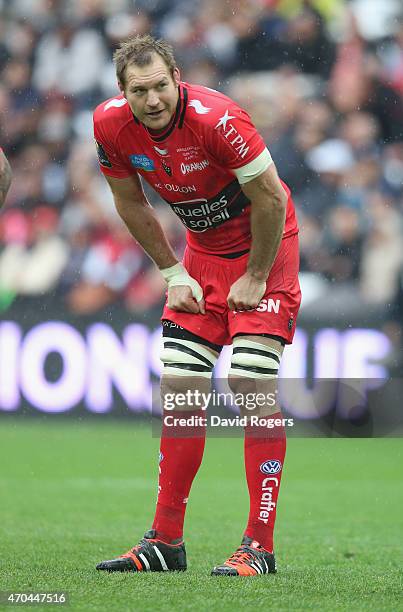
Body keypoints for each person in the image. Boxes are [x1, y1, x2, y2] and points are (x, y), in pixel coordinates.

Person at [93, 34, 301, 577]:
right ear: (123, 92)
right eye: (141, 91)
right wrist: (172, 272)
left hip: (266, 249)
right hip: (201, 257)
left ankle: (259, 544)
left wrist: (257, 275)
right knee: (180, 388)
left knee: (251, 386)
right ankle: (166, 541)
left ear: (177, 78)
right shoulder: (109, 125)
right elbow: (127, 199)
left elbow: (273, 198)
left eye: (162, 85)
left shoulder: (219, 120)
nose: (154, 99)